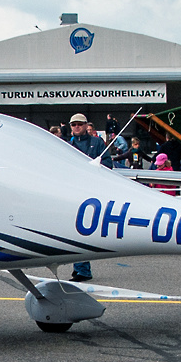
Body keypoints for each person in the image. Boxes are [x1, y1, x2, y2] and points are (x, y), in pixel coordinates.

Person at [65, 113, 107, 281]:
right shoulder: (67, 145)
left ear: (85, 125)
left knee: (82, 231)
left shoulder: (97, 143)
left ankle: (82, 269)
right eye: (73, 124)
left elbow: (107, 164)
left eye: (79, 124)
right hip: (73, 192)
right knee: (74, 231)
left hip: (91, 192)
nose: (76, 127)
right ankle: (80, 267)